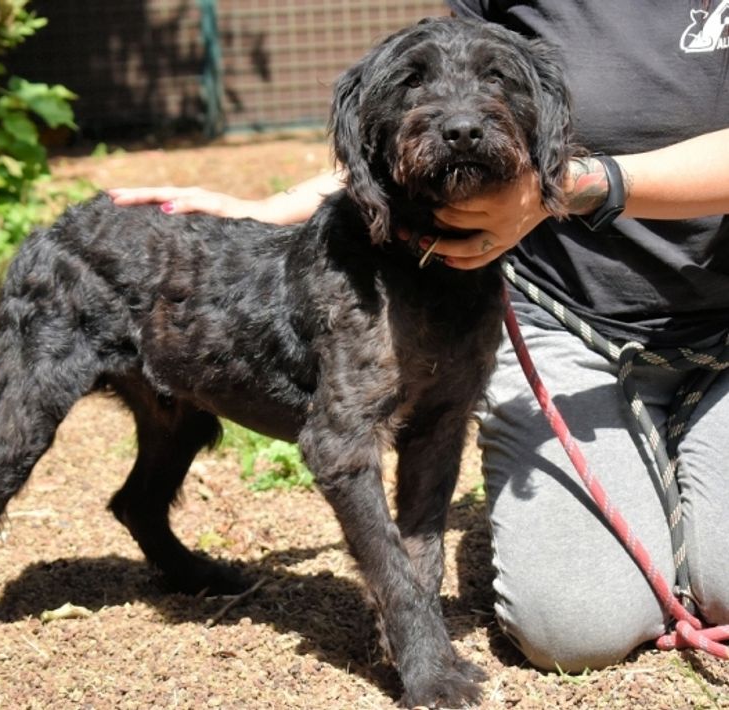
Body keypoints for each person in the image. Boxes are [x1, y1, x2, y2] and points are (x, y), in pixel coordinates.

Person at [109, 1, 729, 672]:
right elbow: (390, 121)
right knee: (578, 626)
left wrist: (579, 185)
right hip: (563, 324)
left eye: (495, 80)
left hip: (719, 339)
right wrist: (269, 210)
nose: (463, 115)